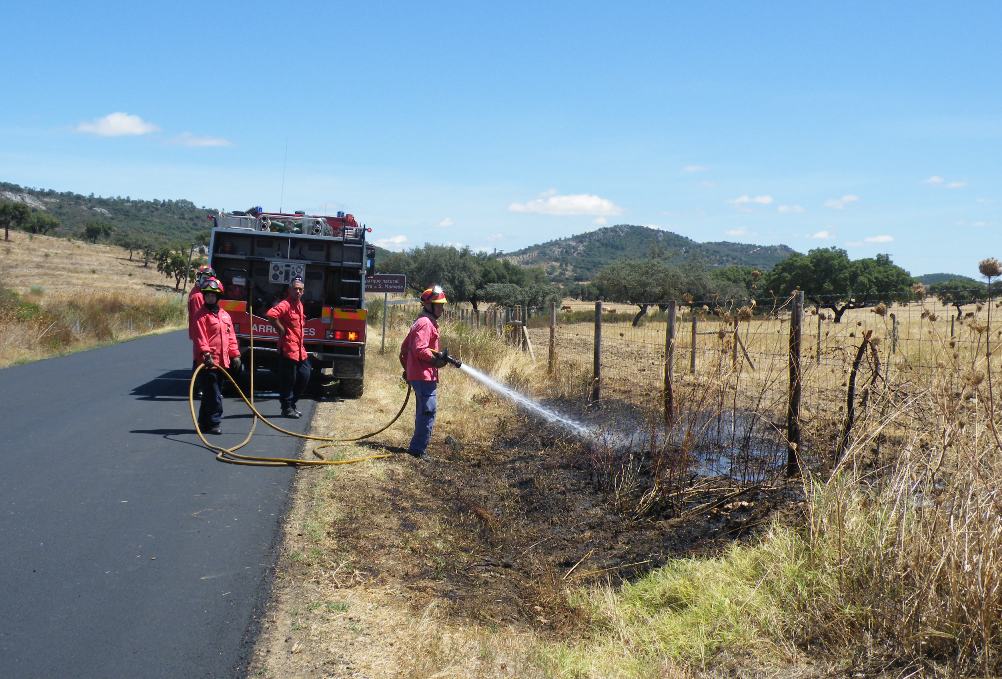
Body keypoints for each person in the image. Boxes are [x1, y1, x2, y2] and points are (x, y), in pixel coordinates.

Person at [399, 285, 450, 459]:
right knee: (428, 412)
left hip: (421, 375)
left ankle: (417, 447)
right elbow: (420, 349)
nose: (442, 308)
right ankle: (418, 450)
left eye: (442, 305)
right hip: (423, 375)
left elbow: (405, 348)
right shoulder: (425, 324)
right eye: (439, 305)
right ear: (428, 305)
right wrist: (435, 360)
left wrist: (408, 369)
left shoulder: (422, 322)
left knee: (423, 411)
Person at [191, 278, 241, 435]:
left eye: (213, 295)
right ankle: (213, 422)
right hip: (208, 362)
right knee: (215, 394)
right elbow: (200, 337)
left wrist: (236, 355)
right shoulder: (200, 315)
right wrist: (206, 354)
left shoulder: (225, 315)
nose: (210, 298)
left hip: (222, 361)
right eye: (207, 295)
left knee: (211, 392)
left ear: (218, 297)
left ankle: (203, 422)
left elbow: (231, 336)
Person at [266, 276, 311, 418]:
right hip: (288, 349)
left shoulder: (299, 304)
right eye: (295, 288)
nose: (297, 291)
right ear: (289, 290)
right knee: (288, 380)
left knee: (304, 375)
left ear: (303, 291)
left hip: (299, 349)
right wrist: (281, 329)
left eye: (300, 289)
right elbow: (271, 315)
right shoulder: (285, 304)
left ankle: (292, 404)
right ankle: (286, 408)